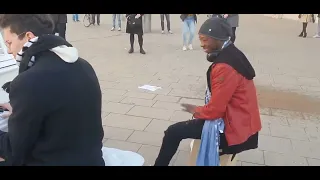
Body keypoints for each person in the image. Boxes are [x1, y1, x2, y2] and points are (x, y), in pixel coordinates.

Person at [154, 17, 261, 166]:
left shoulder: (224, 67)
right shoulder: (233, 53)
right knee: (185, 129)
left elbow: (215, 111)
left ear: (218, 39)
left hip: (233, 128)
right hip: (242, 122)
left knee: (173, 132)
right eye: (200, 39)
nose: (202, 44)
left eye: (205, 40)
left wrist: (196, 111)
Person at [0, 14, 104, 166]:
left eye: (9, 43)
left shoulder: (28, 81)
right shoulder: (83, 65)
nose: (9, 51)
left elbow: (14, 150)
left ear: (28, 37)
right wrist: (19, 109)